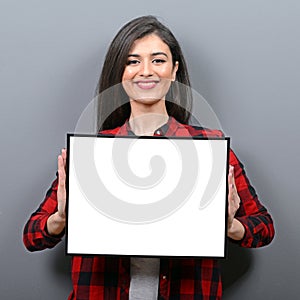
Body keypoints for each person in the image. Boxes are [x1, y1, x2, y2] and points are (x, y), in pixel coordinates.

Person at [23, 15, 275, 299]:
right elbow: (33, 235)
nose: (146, 71)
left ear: (174, 70)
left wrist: (230, 226)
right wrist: (62, 217)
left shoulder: (209, 148)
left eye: (158, 60)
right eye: (133, 61)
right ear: (120, 72)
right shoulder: (92, 154)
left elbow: (263, 228)